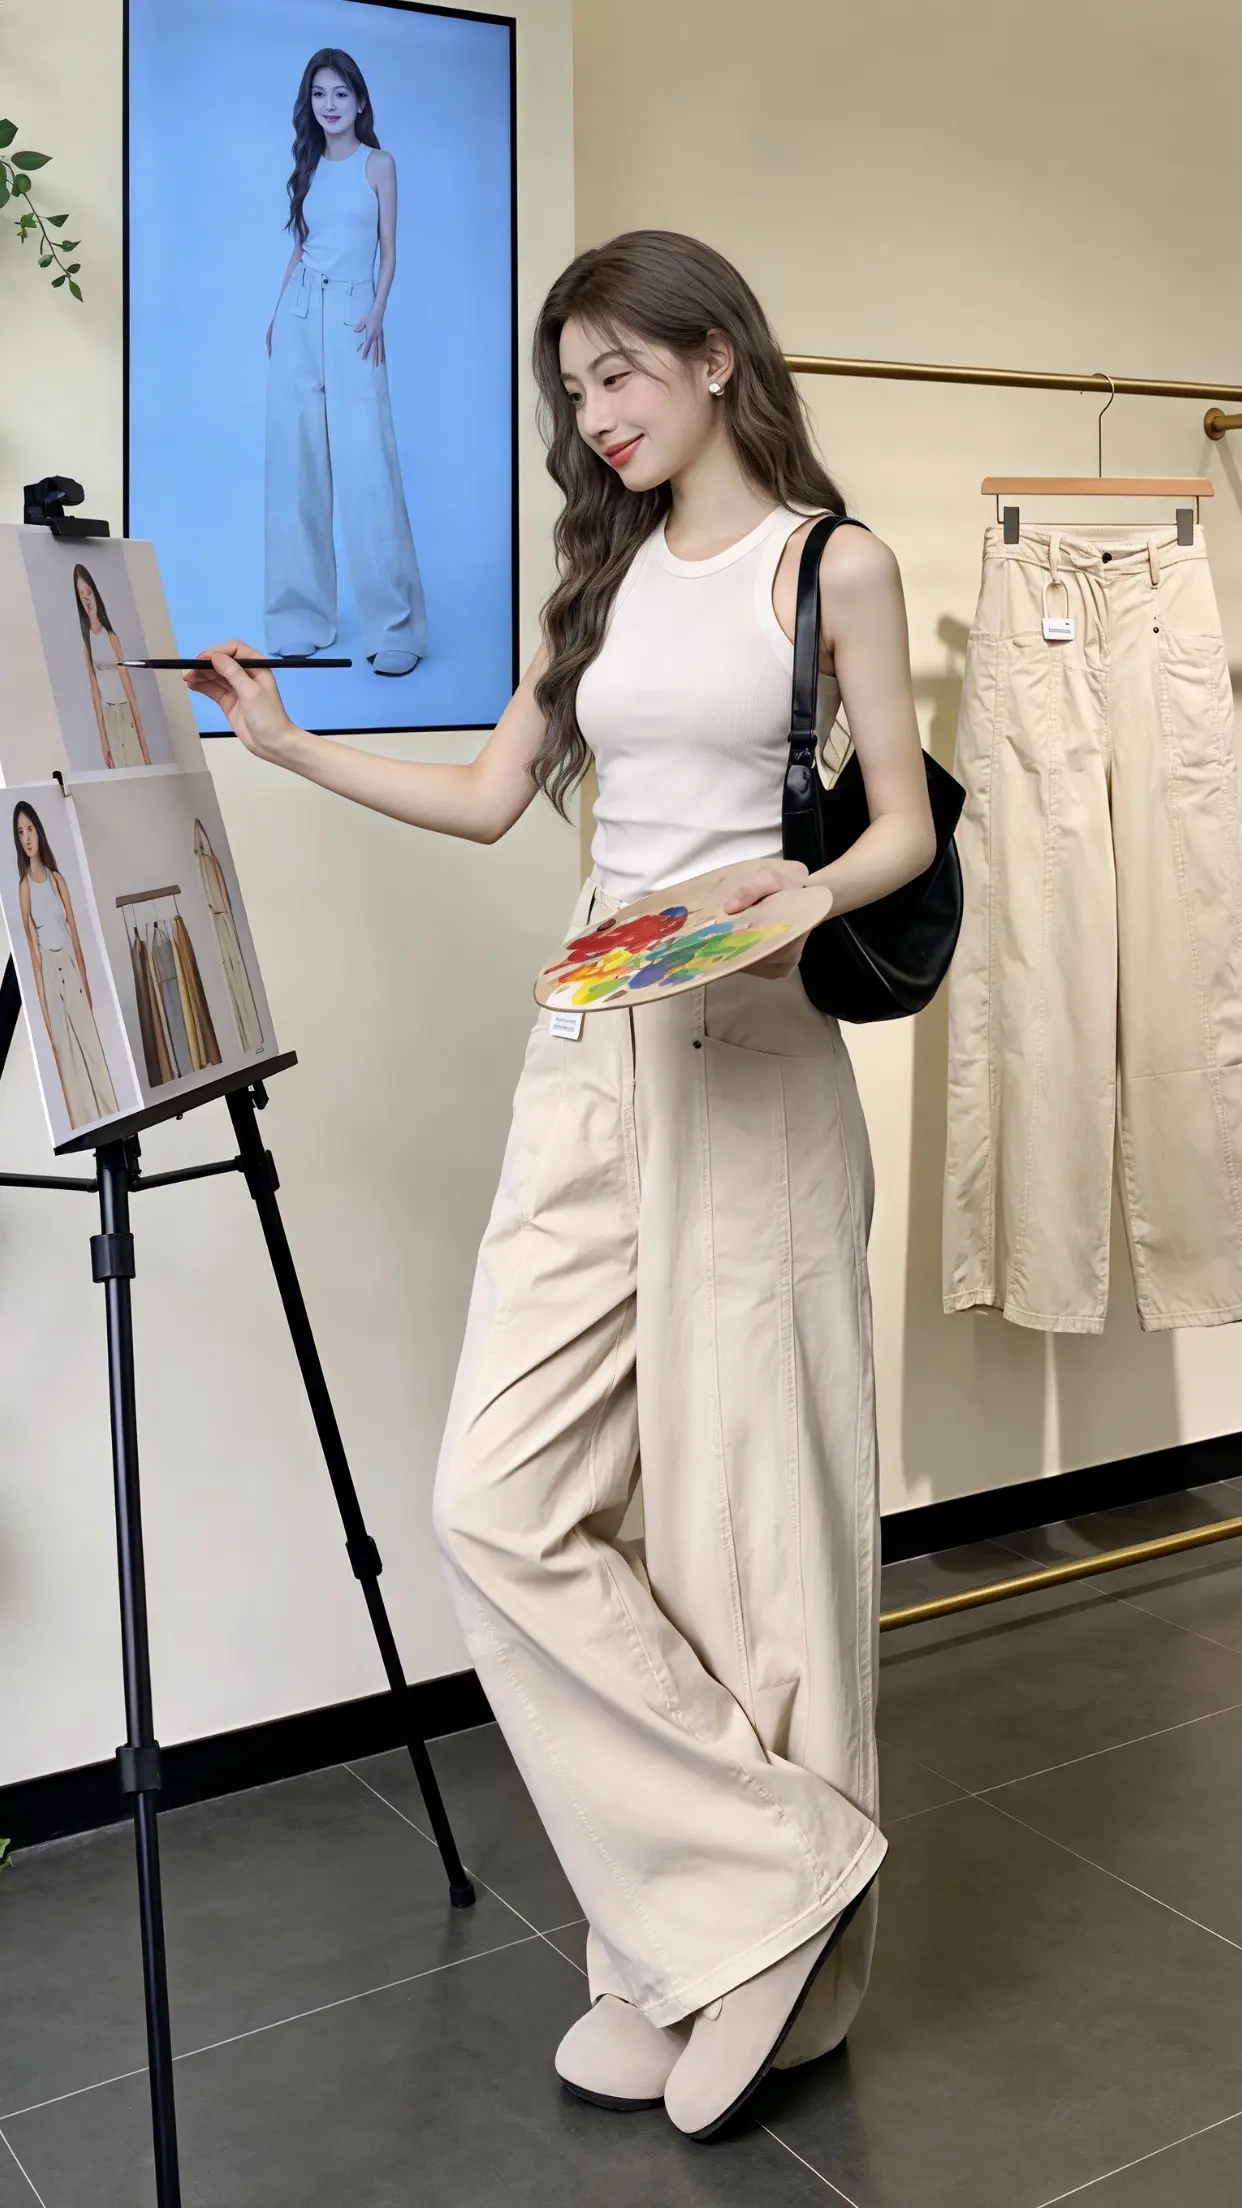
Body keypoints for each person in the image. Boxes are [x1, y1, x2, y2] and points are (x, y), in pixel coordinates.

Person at [188, 229, 935, 2143]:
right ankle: (752, 1883)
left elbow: (904, 827)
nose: (594, 415)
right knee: (499, 1499)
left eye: (618, 372)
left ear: (712, 355)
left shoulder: (829, 564)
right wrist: (286, 748)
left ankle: (752, 1971)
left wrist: (799, 886)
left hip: (753, 1054)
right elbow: (489, 794)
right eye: (573, 388)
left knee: (750, 1522)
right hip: (593, 1053)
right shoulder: (592, 583)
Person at [264, 46, 428, 678]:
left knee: (368, 467)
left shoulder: (378, 164)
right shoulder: (307, 166)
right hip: (299, 311)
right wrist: (277, 312)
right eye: (318, 94)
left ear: (360, 101)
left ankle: (395, 628)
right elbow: (302, 246)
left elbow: (389, 250)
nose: (329, 105)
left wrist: (378, 311)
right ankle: (299, 619)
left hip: (356, 314)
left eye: (339, 93)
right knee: (296, 465)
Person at [14, 802, 118, 1130]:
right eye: (20, 832)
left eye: (30, 829)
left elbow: (74, 931)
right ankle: (84, 1126)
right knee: (67, 1058)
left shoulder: (57, 880)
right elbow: (32, 951)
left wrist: (84, 980)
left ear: (39, 831)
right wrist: (43, 1007)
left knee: (91, 1047)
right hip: (48, 970)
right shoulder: (24, 888)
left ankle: (112, 1117)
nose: (26, 837)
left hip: (69, 966)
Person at [73, 564, 152, 768]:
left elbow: (129, 690)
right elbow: (95, 694)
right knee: (119, 770)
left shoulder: (111, 638)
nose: (86, 598)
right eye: (81, 595)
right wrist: (104, 743)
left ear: (95, 594)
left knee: (137, 766)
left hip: (125, 711)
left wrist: (145, 749)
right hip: (108, 715)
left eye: (88, 592)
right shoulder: (87, 645)